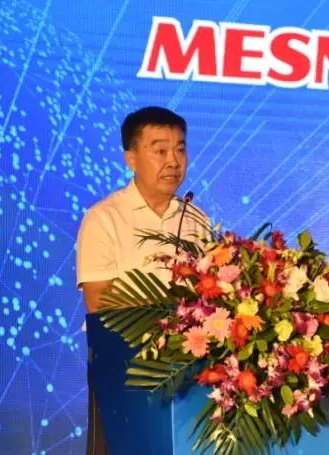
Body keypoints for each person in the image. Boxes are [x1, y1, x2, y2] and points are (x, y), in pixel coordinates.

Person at [75, 106, 210, 454]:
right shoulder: (104, 218)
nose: (173, 161)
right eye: (160, 150)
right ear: (131, 159)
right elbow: (100, 301)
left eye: (180, 149)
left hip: (189, 369)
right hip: (125, 368)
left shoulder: (197, 220)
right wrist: (169, 316)